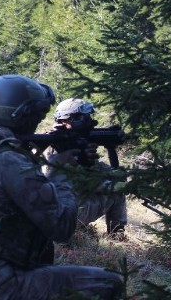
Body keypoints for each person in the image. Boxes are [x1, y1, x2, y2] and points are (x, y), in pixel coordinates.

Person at [0, 75, 123, 300]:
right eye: (37, 116)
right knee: (109, 282)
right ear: (24, 117)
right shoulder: (9, 160)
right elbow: (61, 228)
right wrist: (62, 172)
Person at [50, 98, 128, 240]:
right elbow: (81, 181)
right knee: (117, 191)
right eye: (83, 118)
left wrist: (115, 171)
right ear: (66, 120)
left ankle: (116, 233)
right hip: (66, 212)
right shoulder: (59, 145)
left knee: (117, 181)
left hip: (66, 209)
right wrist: (116, 185)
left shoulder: (68, 140)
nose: (88, 121)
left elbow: (95, 168)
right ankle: (117, 234)